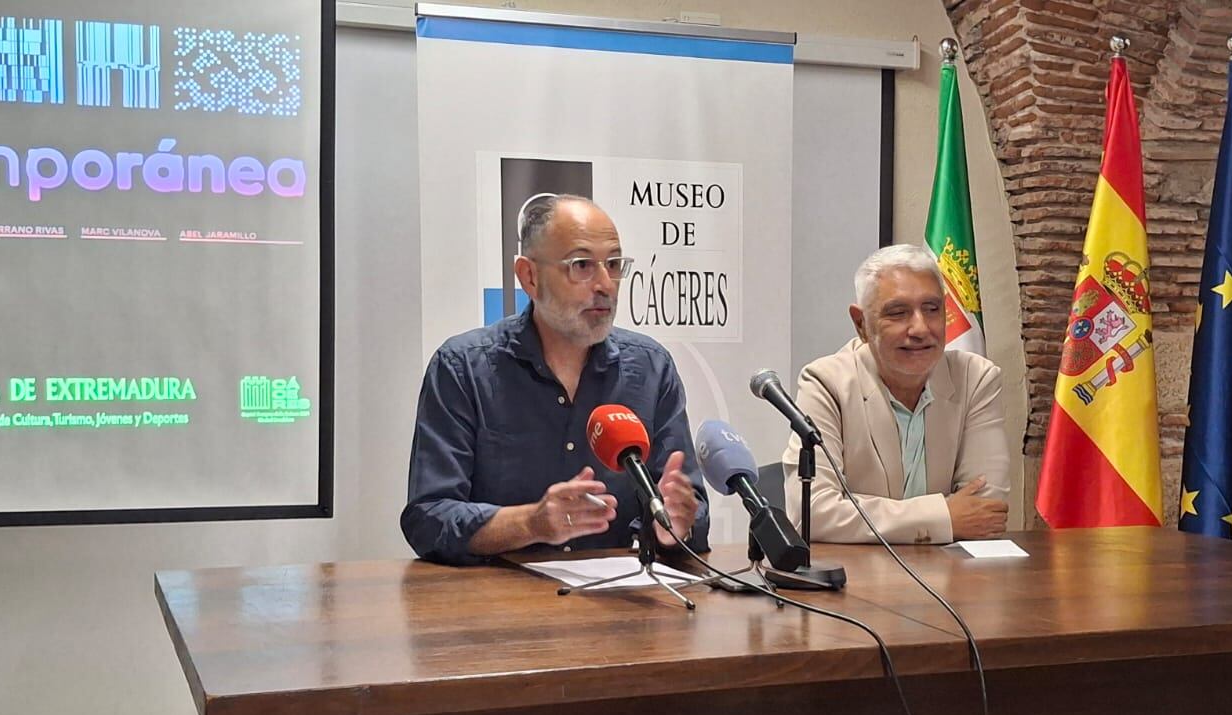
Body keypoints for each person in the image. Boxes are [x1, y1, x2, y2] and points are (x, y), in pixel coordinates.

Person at [402, 194, 709, 565]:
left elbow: (690, 513)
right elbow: (428, 518)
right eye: (581, 265)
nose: (605, 284)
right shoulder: (463, 368)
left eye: (613, 265)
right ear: (529, 276)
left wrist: (675, 525)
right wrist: (531, 524)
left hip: (618, 604)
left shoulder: (650, 367)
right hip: (498, 605)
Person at [783, 244, 1009, 544]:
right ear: (861, 323)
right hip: (860, 580)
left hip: (955, 581)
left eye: (932, 309)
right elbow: (812, 513)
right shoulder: (827, 383)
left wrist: (870, 518)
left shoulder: (976, 379)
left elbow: (985, 512)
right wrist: (943, 517)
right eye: (898, 313)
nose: (920, 328)